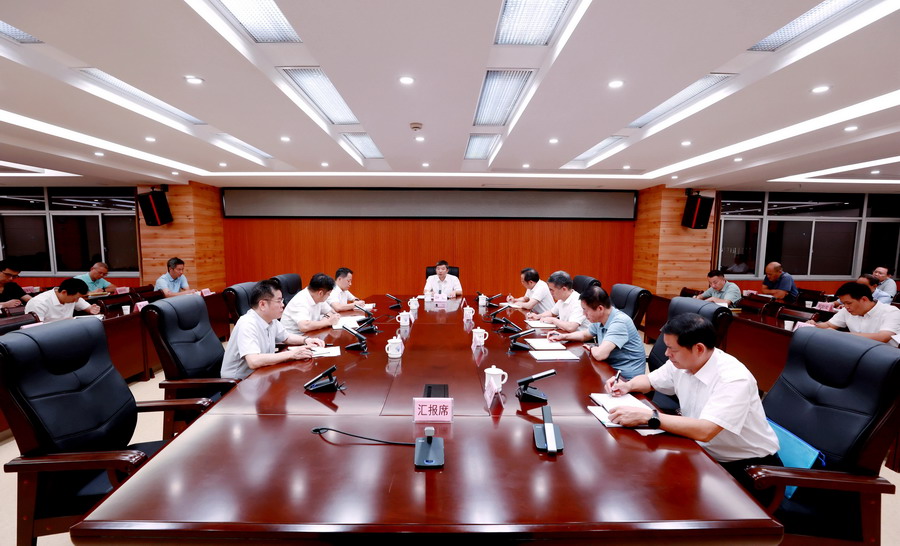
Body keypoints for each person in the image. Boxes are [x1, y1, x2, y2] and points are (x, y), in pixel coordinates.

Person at [605, 313, 780, 502]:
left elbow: (706, 430)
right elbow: (650, 380)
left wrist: (650, 417)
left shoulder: (733, 379)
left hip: (748, 470)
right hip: (702, 452)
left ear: (699, 349)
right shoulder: (682, 363)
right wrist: (627, 385)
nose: (666, 354)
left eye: (672, 349)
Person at [221, 279, 324, 380]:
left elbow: (286, 337)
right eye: (279, 301)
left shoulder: (270, 319)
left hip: (260, 374)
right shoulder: (247, 324)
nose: (283, 305)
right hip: (239, 382)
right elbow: (253, 361)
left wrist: (306, 340)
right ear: (262, 304)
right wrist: (291, 354)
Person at [548, 285, 645, 379]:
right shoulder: (601, 318)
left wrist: (592, 348)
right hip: (609, 368)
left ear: (600, 309)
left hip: (625, 378)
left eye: (585, 310)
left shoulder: (620, 322)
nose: (584, 314)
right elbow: (584, 335)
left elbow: (600, 354)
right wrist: (563, 336)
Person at [809, 281, 900, 347]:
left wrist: (841, 335)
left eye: (849, 303)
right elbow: (829, 325)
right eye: (843, 303)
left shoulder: (891, 312)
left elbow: (883, 337)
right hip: (857, 350)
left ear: (864, 299)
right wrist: (814, 325)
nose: (845, 306)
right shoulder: (846, 310)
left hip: (885, 355)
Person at [525, 270, 590, 332]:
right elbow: (552, 313)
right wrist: (538, 316)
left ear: (564, 289)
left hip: (579, 338)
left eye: (552, 290)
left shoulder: (578, 302)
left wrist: (553, 320)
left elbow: (571, 327)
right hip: (566, 334)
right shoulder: (562, 298)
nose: (550, 292)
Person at [24, 277, 100, 322]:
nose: (77, 301)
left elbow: (88, 308)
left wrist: (92, 309)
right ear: (64, 292)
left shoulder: (72, 296)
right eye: (76, 298)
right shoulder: (39, 302)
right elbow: (35, 329)